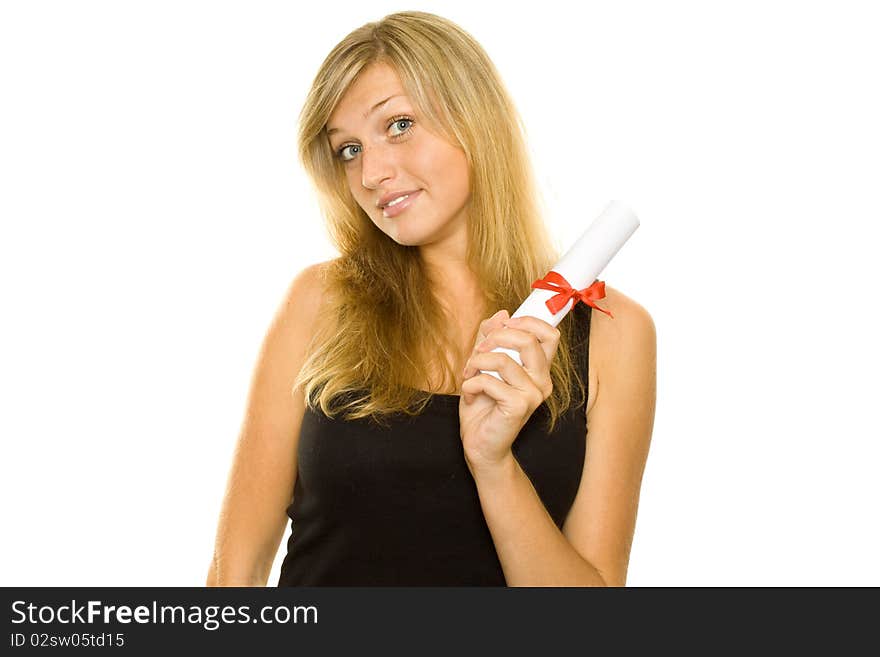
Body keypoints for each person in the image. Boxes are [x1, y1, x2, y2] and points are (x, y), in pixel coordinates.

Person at [207, 10, 656, 587]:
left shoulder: (614, 334)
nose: (371, 173)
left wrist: (494, 467)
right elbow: (233, 573)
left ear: (476, 119)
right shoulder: (319, 303)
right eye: (348, 150)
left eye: (397, 125)